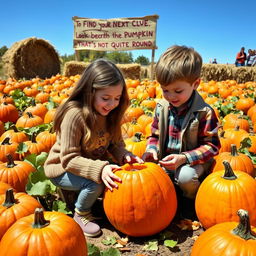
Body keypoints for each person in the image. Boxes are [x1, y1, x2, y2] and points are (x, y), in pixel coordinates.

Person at [44, 59, 143, 237]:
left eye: (117, 98)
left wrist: (125, 155)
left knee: (116, 174)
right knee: (96, 181)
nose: (112, 104)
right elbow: (69, 159)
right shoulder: (75, 115)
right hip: (62, 168)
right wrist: (100, 168)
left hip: (87, 163)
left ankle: (81, 195)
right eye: (106, 98)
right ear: (89, 92)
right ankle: (81, 213)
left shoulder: (110, 114)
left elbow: (115, 144)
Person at [142, 45, 220, 219]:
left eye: (178, 91)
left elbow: (212, 146)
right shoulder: (161, 108)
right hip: (167, 160)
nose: (170, 96)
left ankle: (191, 203)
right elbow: (154, 135)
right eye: (165, 90)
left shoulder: (204, 112)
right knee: (144, 172)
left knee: (185, 176)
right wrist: (152, 150)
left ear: (196, 84)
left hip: (194, 162)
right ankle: (170, 198)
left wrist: (184, 158)